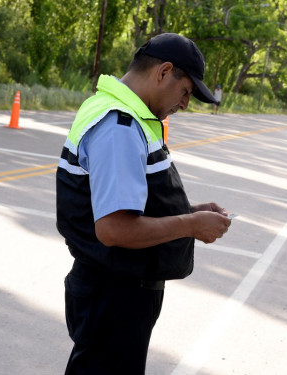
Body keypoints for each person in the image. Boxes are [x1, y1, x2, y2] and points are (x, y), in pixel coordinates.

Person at [55, 33, 232, 374]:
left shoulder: (126, 116)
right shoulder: (119, 125)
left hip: (116, 293)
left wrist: (190, 212)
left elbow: (125, 203)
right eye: (186, 92)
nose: (184, 104)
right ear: (164, 72)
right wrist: (191, 225)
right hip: (114, 296)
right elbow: (114, 228)